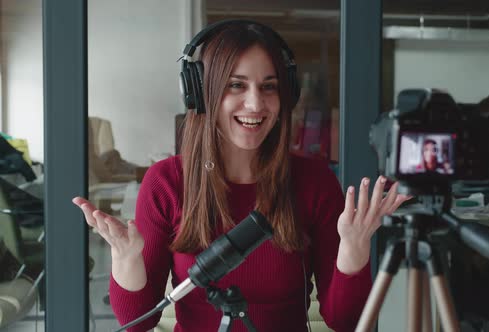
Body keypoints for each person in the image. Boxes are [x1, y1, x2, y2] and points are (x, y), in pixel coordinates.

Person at [72, 20, 410, 332]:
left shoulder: (313, 181)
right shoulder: (166, 182)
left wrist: (355, 247)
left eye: (269, 87)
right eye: (236, 85)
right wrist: (125, 258)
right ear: (202, 93)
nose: (255, 103)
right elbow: (136, 322)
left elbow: (345, 321)